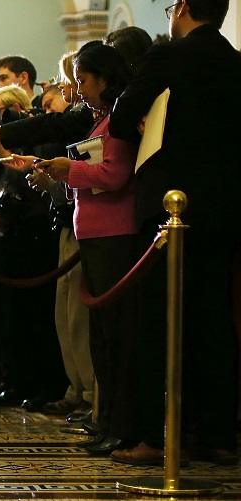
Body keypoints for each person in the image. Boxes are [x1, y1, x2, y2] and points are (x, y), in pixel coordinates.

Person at [110, 0, 240, 466]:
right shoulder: (234, 61)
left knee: (154, 323)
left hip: (170, 209)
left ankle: (149, 436)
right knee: (213, 321)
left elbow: (124, 117)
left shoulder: (168, 55)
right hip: (224, 212)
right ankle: (219, 434)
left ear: (182, 7)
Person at [8, 40, 137, 459]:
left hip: (114, 233)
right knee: (99, 337)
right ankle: (107, 419)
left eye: (82, 81)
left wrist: (70, 169)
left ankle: (121, 423)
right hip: (93, 233)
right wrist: (61, 177)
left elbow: (115, 174)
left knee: (115, 336)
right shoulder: (100, 119)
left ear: (104, 78)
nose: (77, 90)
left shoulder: (118, 117)